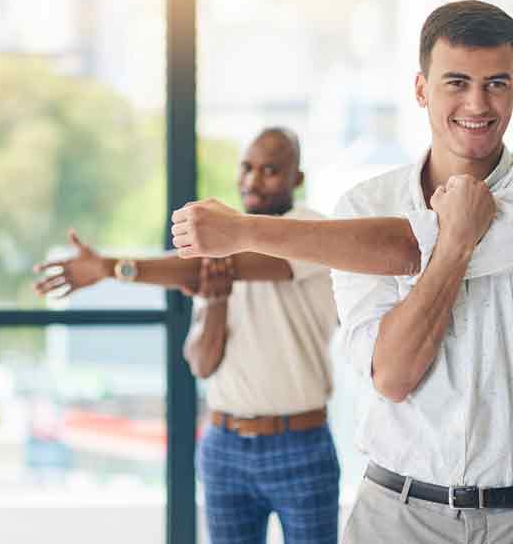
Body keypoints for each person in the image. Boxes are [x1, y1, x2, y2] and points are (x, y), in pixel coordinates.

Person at [170, 0, 513, 543]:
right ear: (421, 89)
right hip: (397, 517)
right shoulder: (361, 207)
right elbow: (393, 377)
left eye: (496, 83)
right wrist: (458, 240)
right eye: (456, 82)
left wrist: (246, 231)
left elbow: (402, 247)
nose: (477, 103)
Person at [33, 128, 342, 544]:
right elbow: (200, 362)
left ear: (297, 179)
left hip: (300, 445)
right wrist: (214, 303)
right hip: (224, 446)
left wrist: (111, 267)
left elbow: (216, 266)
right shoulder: (221, 249)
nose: (253, 181)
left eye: (270, 170)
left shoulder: (309, 230)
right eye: (247, 167)